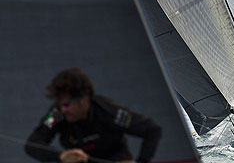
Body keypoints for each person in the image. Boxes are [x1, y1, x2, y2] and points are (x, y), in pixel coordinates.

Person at [25, 67, 162, 163]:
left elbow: (152, 129)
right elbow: (33, 144)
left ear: (84, 101)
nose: (63, 109)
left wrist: (141, 161)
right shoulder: (57, 114)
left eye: (67, 104)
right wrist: (60, 156)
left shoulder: (110, 111)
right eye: (60, 104)